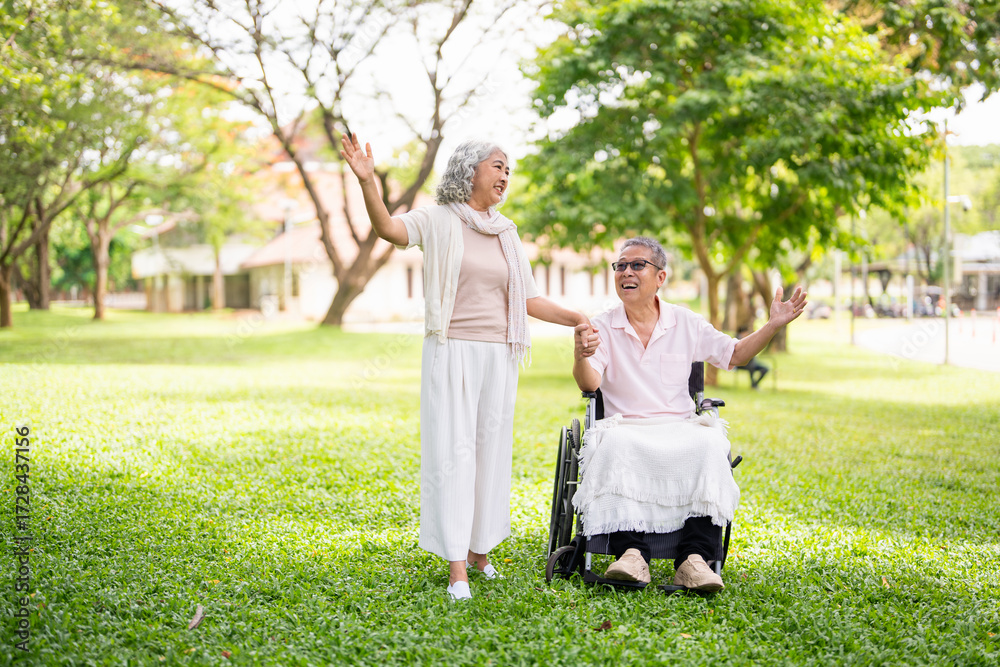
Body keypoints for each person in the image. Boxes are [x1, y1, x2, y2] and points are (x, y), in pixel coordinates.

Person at [340, 134, 598, 600]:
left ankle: (481, 553)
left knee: (491, 454)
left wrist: (576, 317)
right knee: (453, 454)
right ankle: (457, 566)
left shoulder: (506, 231)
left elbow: (528, 298)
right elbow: (389, 230)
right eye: (497, 166)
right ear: (470, 170)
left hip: (500, 354)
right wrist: (366, 183)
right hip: (452, 350)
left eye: (508, 171)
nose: (504, 177)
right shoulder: (438, 220)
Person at [571, 237, 806, 591]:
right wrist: (580, 354)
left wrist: (772, 325)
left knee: (710, 442)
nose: (626, 272)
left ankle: (694, 560)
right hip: (626, 426)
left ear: (660, 277)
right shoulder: (601, 326)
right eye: (620, 265)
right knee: (614, 442)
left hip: (677, 425)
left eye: (637, 265)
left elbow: (736, 355)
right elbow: (589, 382)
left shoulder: (685, 322)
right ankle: (632, 555)